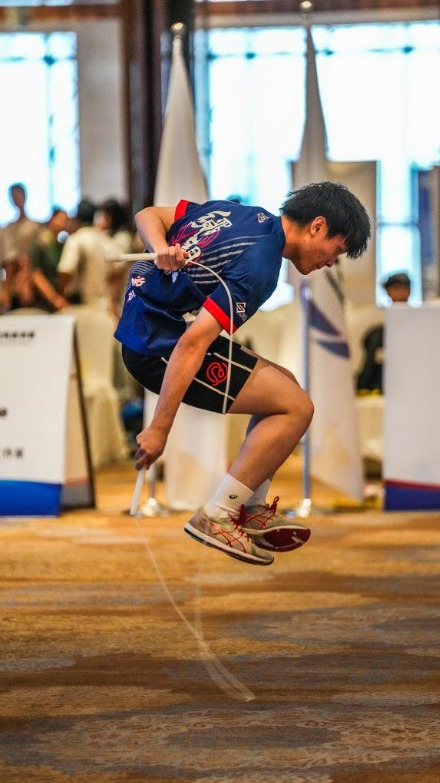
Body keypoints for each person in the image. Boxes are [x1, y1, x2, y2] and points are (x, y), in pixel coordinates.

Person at [115, 181, 371, 566]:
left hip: (153, 325)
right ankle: (218, 514)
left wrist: (160, 246)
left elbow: (148, 215)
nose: (332, 262)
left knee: (285, 387)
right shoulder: (261, 264)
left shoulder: (239, 214)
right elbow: (193, 344)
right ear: (317, 226)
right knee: (297, 407)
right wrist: (159, 429)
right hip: (156, 345)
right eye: (337, 249)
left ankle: (249, 507)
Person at [57, 198, 123, 317]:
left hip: (81, 308)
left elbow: (65, 270)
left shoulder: (75, 239)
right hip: (104, 308)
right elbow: (117, 272)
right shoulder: (107, 240)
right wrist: (113, 301)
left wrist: (62, 296)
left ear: (77, 218)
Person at [357, 271, 411, 394]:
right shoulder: (376, 331)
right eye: (396, 287)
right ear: (388, 291)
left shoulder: (418, 324)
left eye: (404, 287)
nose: (400, 292)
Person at [1, 183, 40, 311]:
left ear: (24, 196)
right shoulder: (8, 228)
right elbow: (8, 259)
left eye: (18, 195)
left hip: (31, 274)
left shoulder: (35, 226)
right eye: (13, 196)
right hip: (12, 278)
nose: (16, 199)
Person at [29, 207, 70, 312]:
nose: (63, 224)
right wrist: (54, 299)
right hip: (43, 302)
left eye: (66, 221)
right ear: (52, 219)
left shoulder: (61, 245)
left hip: (60, 299)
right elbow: (36, 275)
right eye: (61, 220)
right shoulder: (40, 245)